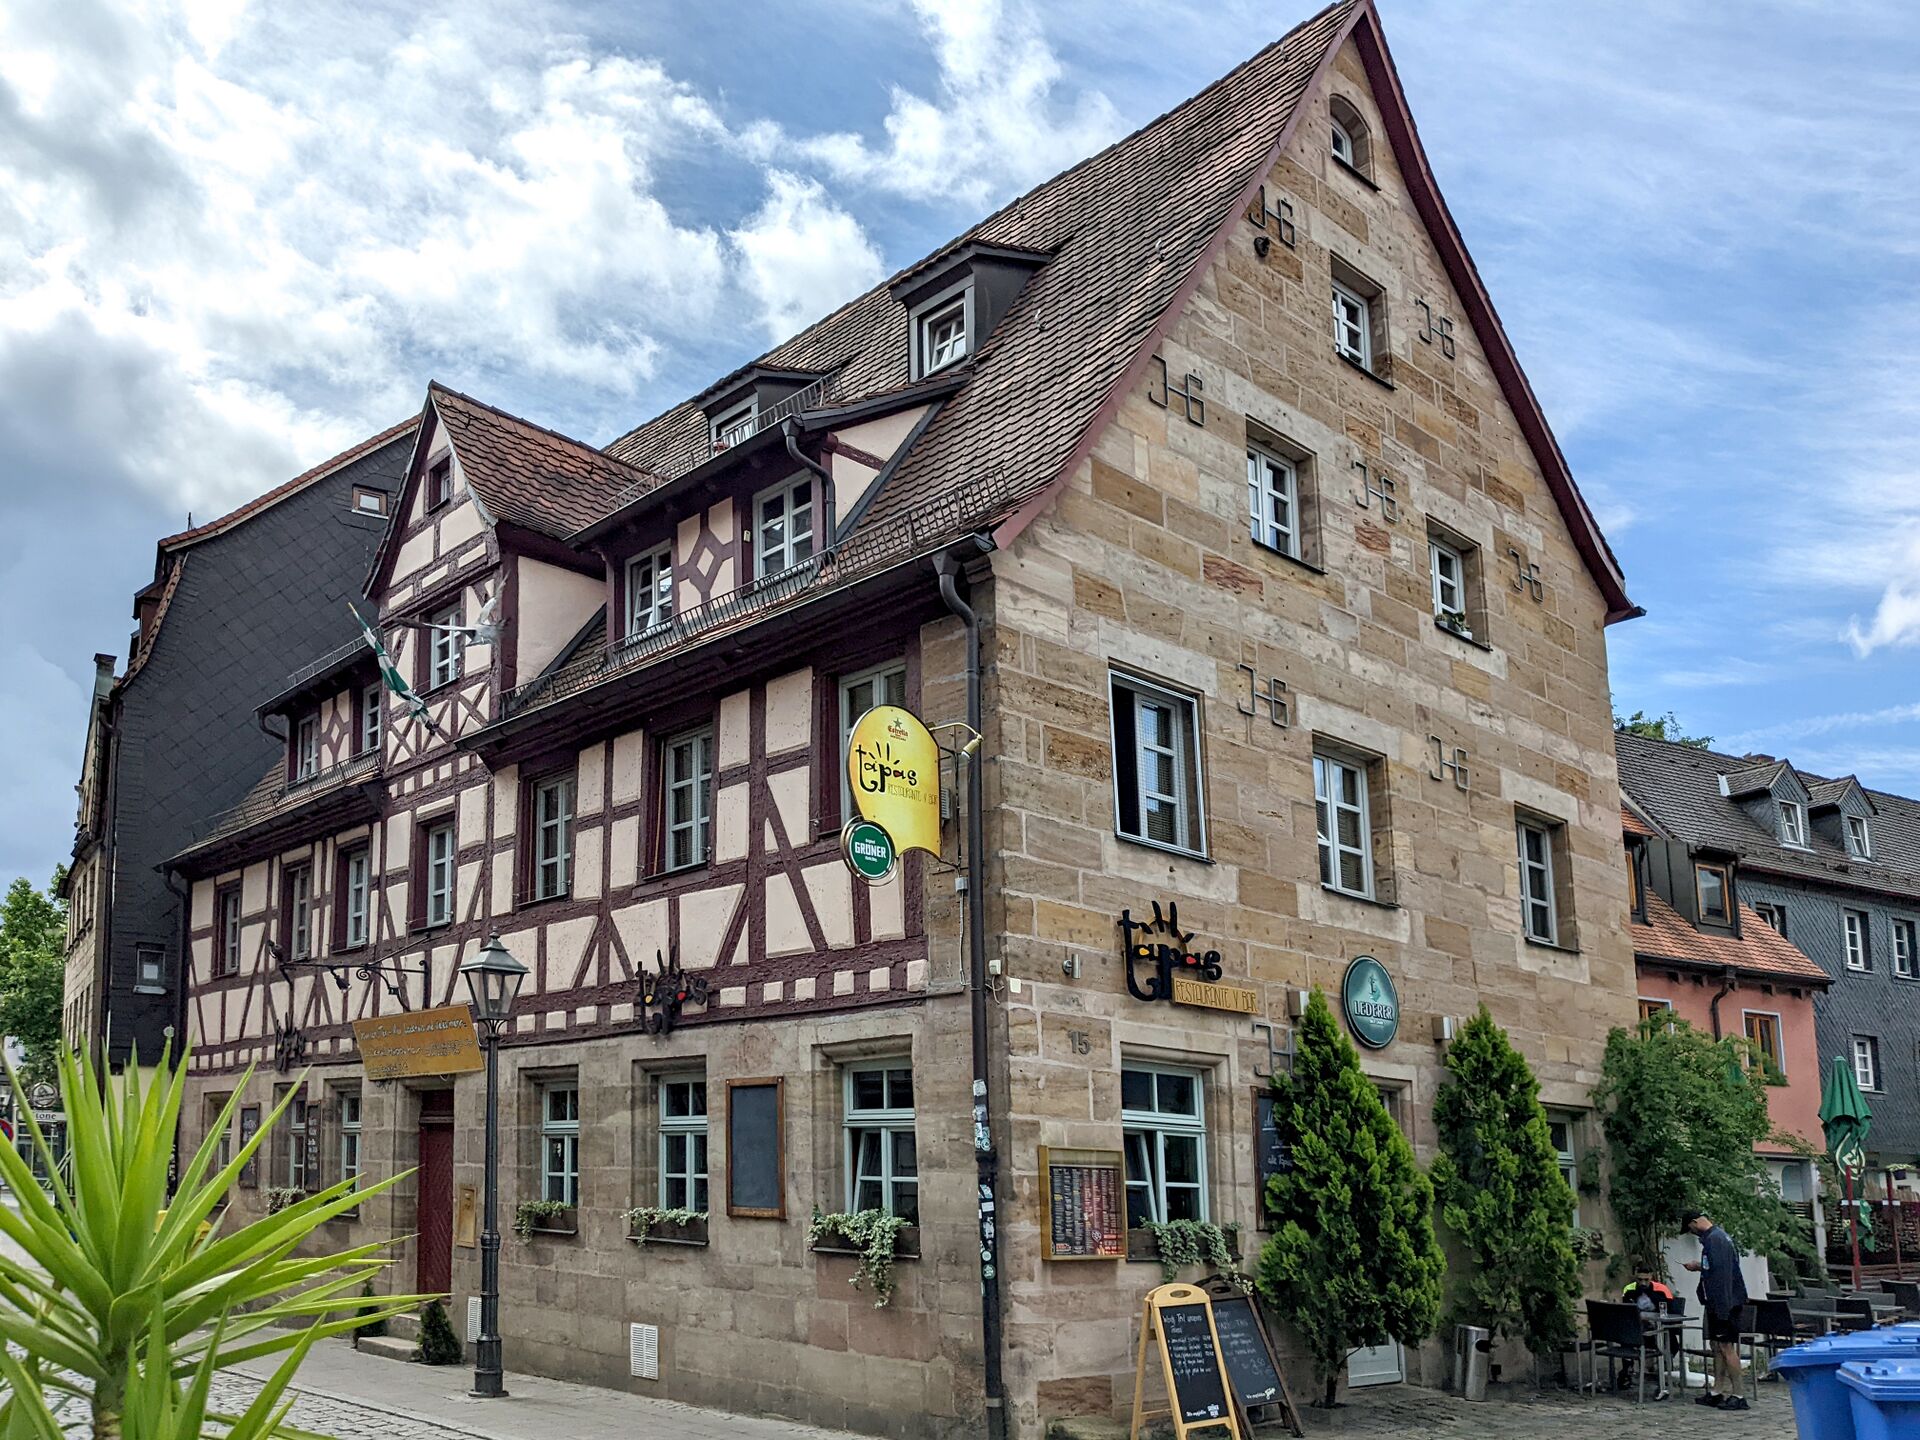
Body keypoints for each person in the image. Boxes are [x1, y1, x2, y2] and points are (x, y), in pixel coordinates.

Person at [1682, 1210, 1751, 1411]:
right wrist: (1699, 1267)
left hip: (1724, 1304)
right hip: (1718, 1302)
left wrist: (1722, 1309)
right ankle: (1716, 1391)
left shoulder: (1716, 1240)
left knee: (1727, 1347)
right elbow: (1714, 1268)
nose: (1692, 1233)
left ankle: (1738, 1395)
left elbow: (1722, 1276)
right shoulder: (1716, 1238)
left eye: (1690, 1228)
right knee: (1717, 1346)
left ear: (1695, 1222)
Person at [1620, 1266, 1677, 1400]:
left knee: (1670, 1343)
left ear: (1651, 1276)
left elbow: (1671, 1312)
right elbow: (1626, 1310)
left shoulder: (1662, 1289)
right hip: (1638, 1331)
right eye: (1640, 1280)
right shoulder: (1629, 1289)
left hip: (1659, 1330)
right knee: (1625, 1337)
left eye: (1646, 1280)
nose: (1643, 1283)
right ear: (1635, 1277)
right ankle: (1627, 1372)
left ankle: (1662, 1378)